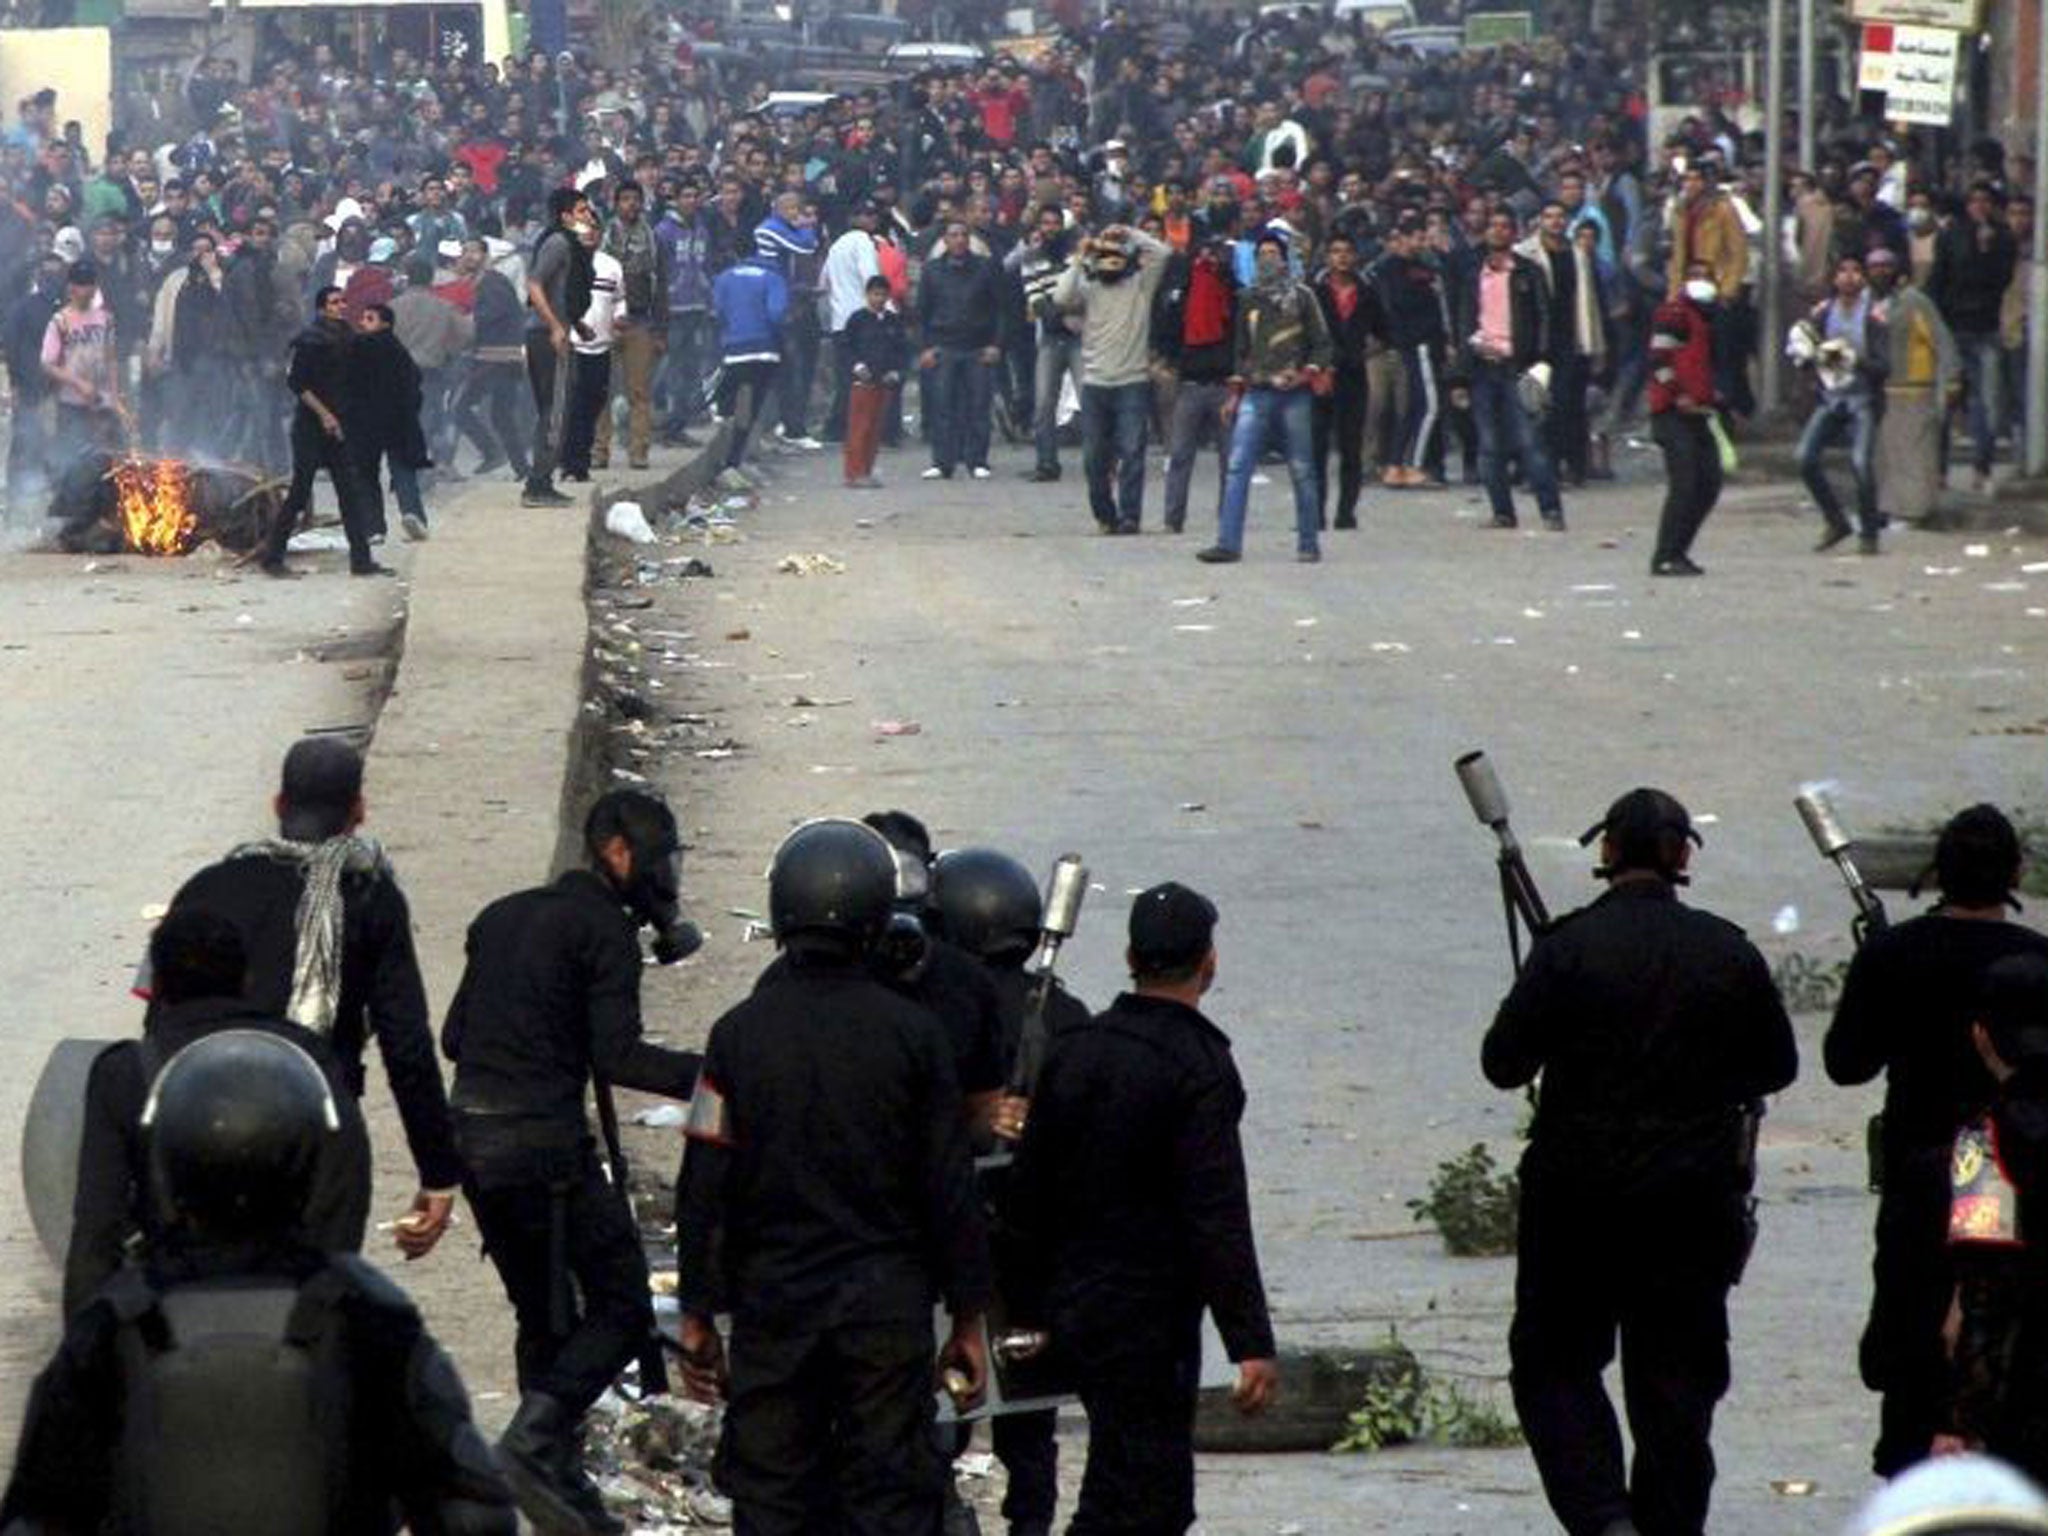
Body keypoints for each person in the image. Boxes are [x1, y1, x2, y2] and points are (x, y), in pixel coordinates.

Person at [3, 1029, 515, 1535]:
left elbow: (36, 1513)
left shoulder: (116, 1322)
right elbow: (475, 1511)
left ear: (168, 1159)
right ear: (312, 1158)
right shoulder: (368, 1316)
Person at [1484, 787, 1797, 1536]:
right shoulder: (1727, 950)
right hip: (1690, 1206)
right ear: (1683, 855)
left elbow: (1503, 1063)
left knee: (1554, 1367)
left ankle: (1602, 1520)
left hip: (1576, 1203)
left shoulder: (1567, 948)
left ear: (1606, 853)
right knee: (1677, 1396)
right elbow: (1777, 1066)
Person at [673, 817, 992, 1535]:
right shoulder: (917, 1038)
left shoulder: (736, 1037)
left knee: (773, 1491)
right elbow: (951, 1188)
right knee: (891, 1489)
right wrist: (970, 1316)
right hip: (885, 1310)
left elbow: (704, 1182)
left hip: (775, 1307)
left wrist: (698, 1312)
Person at [442, 787, 705, 1535]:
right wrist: (719, 1070)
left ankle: (552, 1472)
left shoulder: (501, 916)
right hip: (543, 1147)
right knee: (622, 1305)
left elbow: (457, 1038)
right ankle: (532, 1446)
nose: (664, 877)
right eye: (656, 859)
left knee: (542, 1314)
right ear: (617, 853)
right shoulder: (605, 934)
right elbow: (617, 1054)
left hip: (475, 1144)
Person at [1007, 881, 1278, 1534]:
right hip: (1149, 1322)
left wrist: (1023, 1309)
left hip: (1073, 1309)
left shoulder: (1076, 1049)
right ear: (1208, 963)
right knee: (1146, 1500)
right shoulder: (1199, 1066)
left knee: (1121, 1480)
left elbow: (1028, 1193)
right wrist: (1250, 1343)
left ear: (1131, 955)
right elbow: (1216, 1212)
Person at [159, 736, 461, 1255]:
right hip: (317, 1134)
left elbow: (160, 1026)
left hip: (197, 1126)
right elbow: (405, 1044)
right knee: (319, 1299)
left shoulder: (207, 888)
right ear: (358, 812)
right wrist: (437, 1174)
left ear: (278, 805)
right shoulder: (368, 896)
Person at [1825, 804, 2048, 1478]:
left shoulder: (1895, 954)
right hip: (2024, 1178)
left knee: (1911, 1365)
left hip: (1921, 1185)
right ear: (2013, 874)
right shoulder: (2036, 961)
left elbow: (1846, 1063)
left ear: (1938, 875)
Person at [65, 907, 375, 1319]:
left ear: (156, 987)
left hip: (173, 1316)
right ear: (246, 979)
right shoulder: (304, 1056)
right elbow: (346, 1180)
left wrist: (86, 1349)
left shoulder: (126, 1073)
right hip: (291, 1304)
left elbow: (96, 1227)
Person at [930, 847, 1093, 1536]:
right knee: (1032, 1430)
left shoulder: (933, 1007)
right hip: (1035, 1246)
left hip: (952, 1237)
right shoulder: (1064, 1011)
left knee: (939, 1420)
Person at [1942, 954, 2048, 1480]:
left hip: (2030, 1378)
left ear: (1983, 1037)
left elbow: (1984, 1285)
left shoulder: (1986, 1140)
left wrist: (1960, 1419)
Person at [1198, 230, 1331, 566]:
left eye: (1274, 252)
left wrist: (1304, 373)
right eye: (1262, 254)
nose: (1268, 259)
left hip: (1295, 393)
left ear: (1285, 259)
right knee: (1238, 466)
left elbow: (1322, 344)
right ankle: (1228, 543)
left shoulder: (1302, 297)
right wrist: (1234, 393)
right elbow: (1241, 351)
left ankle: (1308, 542)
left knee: (1302, 468)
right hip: (1256, 391)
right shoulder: (1248, 298)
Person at [1451, 209, 1567, 533]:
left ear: (1514, 232)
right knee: (1488, 445)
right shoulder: (1473, 273)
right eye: (1493, 225)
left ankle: (1551, 509)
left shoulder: (1528, 273)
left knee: (1531, 440)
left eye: (1505, 226)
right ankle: (1502, 511)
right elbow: (1463, 322)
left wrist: (1541, 362)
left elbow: (1545, 318)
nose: (1499, 231)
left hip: (1521, 366)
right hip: (1482, 367)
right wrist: (1460, 372)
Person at [1054, 222, 1171, 533]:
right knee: (1094, 457)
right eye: (1103, 256)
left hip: (1132, 381)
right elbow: (1060, 296)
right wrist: (1080, 257)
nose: (1110, 261)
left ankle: (1130, 516)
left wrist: (1129, 233)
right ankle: (1105, 515)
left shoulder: (1139, 287)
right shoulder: (1089, 288)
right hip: (1095, 383)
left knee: (1133, 451)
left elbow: (1162, 253)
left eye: (1115, 255)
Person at [262, 287, 383, 578]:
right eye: (334, 302)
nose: (340, 306)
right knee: (300, 493)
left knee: (349, 493)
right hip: (310, 427)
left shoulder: (348, 337)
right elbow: (298, 384)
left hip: (340, 426)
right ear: (321, 308)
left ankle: (361, 560)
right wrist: (325, 415)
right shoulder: (310, 340)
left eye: (343, 301)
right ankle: (273, 558)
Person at [1792, 254, 1888, 555]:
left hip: (1863, 399)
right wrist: (1808, 357)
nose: (1849, 277)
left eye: (1856, 270)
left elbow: (1885, 365)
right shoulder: (1823, 314)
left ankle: (1869, 532)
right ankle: (1836, 520)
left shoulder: (1873, 316)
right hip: (1830, 398)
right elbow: (1804, 351)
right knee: (1805, 458)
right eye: (1843, 271)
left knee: (1861, 463)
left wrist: (1856, 361)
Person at [1928, 182, 2015, 496]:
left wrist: (1987, 251)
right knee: (1945, 403)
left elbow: (2001, 281)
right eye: (1974, 200)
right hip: (1954, 329)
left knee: (1986, 402)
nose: (1979, 206)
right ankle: (1938, 469)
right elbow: (1938, 279)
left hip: (1986, 328)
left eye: (1985, 200)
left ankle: (1983, 466)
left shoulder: (2003, 238)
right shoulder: (1951, 236)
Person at [1153, 232, 1237, 536]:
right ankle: (1172, 518)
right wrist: (1167, 362)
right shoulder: (1183, 291)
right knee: (1180, 455)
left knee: (1231, 460)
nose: (1208, 260)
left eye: (1214, 254)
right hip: (1189, 382)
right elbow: (1168, 326)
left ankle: (1229, 518)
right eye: (1203, 254)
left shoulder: (1233, 290)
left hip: (1225, 382)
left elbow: (1241, 333)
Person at [1868, 246, 1957, 526]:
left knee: (1915, 455)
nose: (1880, 271)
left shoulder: (1915, 301)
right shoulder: (1872, 303)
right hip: (1885, 389)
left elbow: (1941, 340)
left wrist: (1951, 379)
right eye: (1874, 266)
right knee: (1888, 456)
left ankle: (1916, 512)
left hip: (1916, 389)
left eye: (1886, 265)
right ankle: (1890, 509)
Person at [1647, 262, 1724, 576]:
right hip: (1672, 412)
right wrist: (1678, 394)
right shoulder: (1674, 314)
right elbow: (1658, 359)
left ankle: (1678, 551)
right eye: (1694, 276)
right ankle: (1666, 555)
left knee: (1708, 482)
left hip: (1699, 412)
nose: (1701, 282)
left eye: (1706, 277)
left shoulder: (1709, 317)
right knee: (1686, 482)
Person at [522, 187, 594, 508]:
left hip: (556, 332)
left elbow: (560, 291)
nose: (587, 217)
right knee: (556, 411)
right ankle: (538, 484)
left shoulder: (572, 246)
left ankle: (541, 478)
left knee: (554, 408)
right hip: (548, 336)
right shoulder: (558, 242)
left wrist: (575, 323)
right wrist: (555, 326)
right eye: (581, 211)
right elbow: (535, 284)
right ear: (565, 216)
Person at [917, 219, 1003, 481]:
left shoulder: (985, 269)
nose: (959, 240)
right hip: (943, 345)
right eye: (953, 235)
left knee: (978, 405)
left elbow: (1000, 309)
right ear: (944, 240)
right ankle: (943, 462)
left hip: (977, 346)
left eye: (964, 235)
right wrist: (925, 347)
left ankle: (978, 460)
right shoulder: (931, 271)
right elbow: (922, 312)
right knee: (942, 406)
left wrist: (995, 344)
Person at [1368, 213, 1449, 489]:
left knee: (1416, 405)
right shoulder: (1390, 268)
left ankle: (1395, 464)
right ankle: (1413, 463)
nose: (1423, 243)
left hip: (1425, 342)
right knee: (1429, 406)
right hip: (1416, 342)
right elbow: (1401, 305)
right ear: (1401, 238)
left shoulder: (1426, 265)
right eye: (1418, 237)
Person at [1009, 202, 1084, 484]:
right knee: (1043, 404)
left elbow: (1084, 291)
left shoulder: (1077, 255)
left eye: (1054, 223)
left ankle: (1100, 462)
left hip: (1080, 337)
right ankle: (1046, 463)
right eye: (1045, 223)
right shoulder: (1030, 257)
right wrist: (1062, 318)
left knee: (1089, 400)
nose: (1050, 228)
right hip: (1052, 337)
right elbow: (1036, 299)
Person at [595, 180, 667, 470]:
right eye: (625, 199)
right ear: (616, 204)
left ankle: (639, 451)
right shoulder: (602, 239)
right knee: (600, 391)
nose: (631, 204)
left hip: (640, 321)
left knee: (639, 392)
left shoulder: (653, 238)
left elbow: (661, 285)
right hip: (606, 322)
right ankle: (600, 451)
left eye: (635, 199)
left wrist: (661, 329)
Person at [350, 302, 435, 543]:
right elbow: (414, 383)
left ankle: (373, 528)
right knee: (403, 470)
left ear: (385, 323)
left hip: (365, 423)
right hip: (399, 421)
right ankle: (413, 514)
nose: (363, 323)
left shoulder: (358, 347)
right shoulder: (399, 350)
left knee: (366, 475)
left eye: (370, 319)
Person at [1311, 232, 1379, 531]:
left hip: (1353, 376)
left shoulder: (1366, 291)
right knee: (1316, 448)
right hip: (1321, 376)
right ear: (1327, 256)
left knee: (1351, 448)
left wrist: (1363, 352)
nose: (1341, 257)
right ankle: (1315, 512)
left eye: (1347, 251)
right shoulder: (1314, 292)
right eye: (1335, 251)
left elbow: (1386, 330)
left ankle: (1346, 512)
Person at [709, 237, 789, 477]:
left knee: (725, 403)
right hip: (765, 351)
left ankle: (723, 456)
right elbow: (777, 314)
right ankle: (736, 458)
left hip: (734, 351)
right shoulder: (773, 277)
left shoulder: (724, 278)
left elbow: (718, 311)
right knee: (754, 405)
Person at [40, 258, 120, 468]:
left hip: (100, 402)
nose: (88, 289)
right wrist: (78, 383)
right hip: (71, 403)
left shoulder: (106, 319)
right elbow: (47, 364)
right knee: (71, 459)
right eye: (82, 284)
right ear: (71, 287)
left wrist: (114, 395)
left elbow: (111, 359)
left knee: (103, 458)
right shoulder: (60, 321)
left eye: (91, 283)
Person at [560, 216, 621, 484]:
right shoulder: (565, 263)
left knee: (594, 403)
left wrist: (621, 317)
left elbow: (620, 299)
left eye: (595, 229)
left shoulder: (611, 266)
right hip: (572, 344)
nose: (590, 234)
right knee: (573, 405)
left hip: (602, 345)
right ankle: (569, 463)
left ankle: (581, 461)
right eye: (585, 229)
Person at [842, 273, 908, 489]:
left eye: (882, 295)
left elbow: (901, 350)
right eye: (875, 294)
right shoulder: (857, 319)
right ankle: (854, 473)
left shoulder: (893, 321)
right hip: (862, 382)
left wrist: (896, 371)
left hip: (884, 382)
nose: (879, 299)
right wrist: (856, 366)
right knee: (859, 428)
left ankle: (867, 470)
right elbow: (846, 347)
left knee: (874, 430)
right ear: (867, 295)